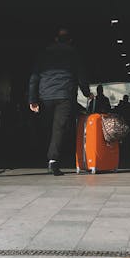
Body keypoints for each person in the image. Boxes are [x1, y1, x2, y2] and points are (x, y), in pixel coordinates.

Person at [29, 28, 93, 176]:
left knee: (47, 127)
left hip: (45, 95)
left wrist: (33, 99)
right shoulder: (73, 53)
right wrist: (87, 92)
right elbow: (81, 75)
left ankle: (46, 155)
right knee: (59, 128)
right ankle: (53, 159)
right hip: (65, 95)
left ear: (56, 39)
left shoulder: (43, 53)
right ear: (70, 40)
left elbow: (34, 77)